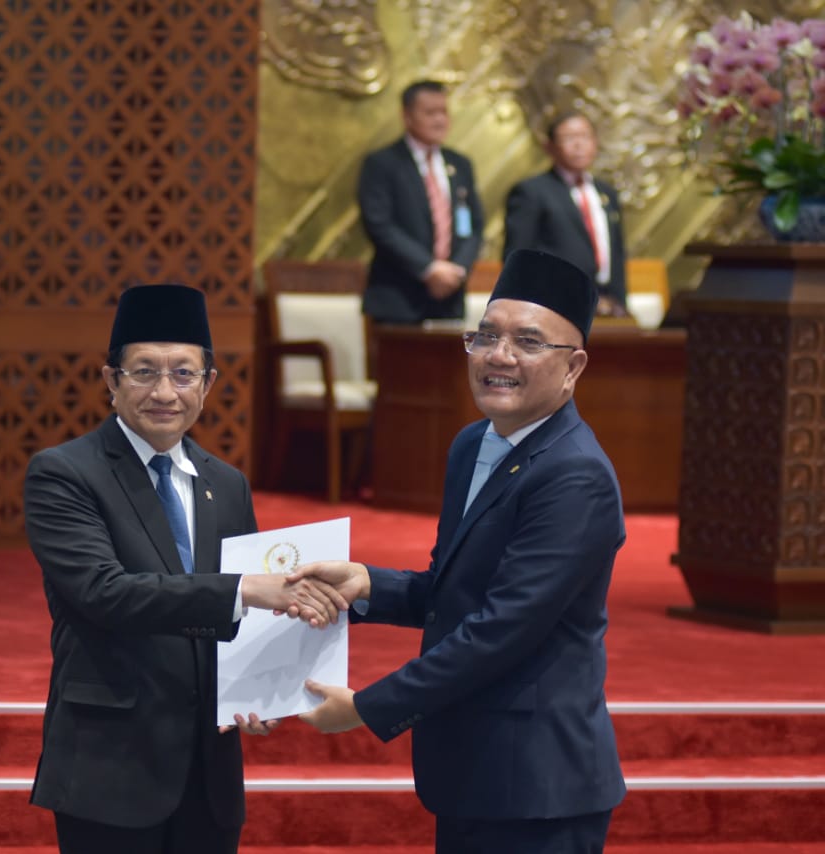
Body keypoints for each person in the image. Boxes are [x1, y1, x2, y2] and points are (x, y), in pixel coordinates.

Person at [292, 249, 627, 853]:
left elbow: (501, 629)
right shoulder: (474, 444)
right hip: (474, 767)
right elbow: (454, 590)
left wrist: (368, 707)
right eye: (486, 336)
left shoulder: (576, 475)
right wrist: (364, 584)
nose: (499, 357)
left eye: (527, 341)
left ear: (573, 366)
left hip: (538, 787)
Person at [23, 283, 345, 854]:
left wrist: (264, 690)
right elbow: (105, 593)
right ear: (111, 381)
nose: (164, 392)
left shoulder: (226, 483)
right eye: (144, 372)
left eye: (183, 374)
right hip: (111, 768)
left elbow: (239, 620)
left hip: (209, 770)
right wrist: (246, 591)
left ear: (209, 384)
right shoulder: (64, 473)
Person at [358, 79, 485, 324]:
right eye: (430, 112)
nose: (440, 120)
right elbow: (379, 225)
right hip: (398, 298)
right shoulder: (382, 163)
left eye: (444, 112)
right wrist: (428, 268)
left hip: (450, 298)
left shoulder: (459, 164)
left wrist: (456, 270)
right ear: (407, 116)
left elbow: (473, 226)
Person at [503, 110, 632, 319]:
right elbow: (518, 258)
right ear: (550, 147)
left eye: (585, 136)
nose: (579, 145)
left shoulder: (606, 193)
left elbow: (616, 254)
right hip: (553, 307)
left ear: (595, 143)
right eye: (569, 138)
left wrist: (621, 303)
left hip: (606, 306)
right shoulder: (531, 192)